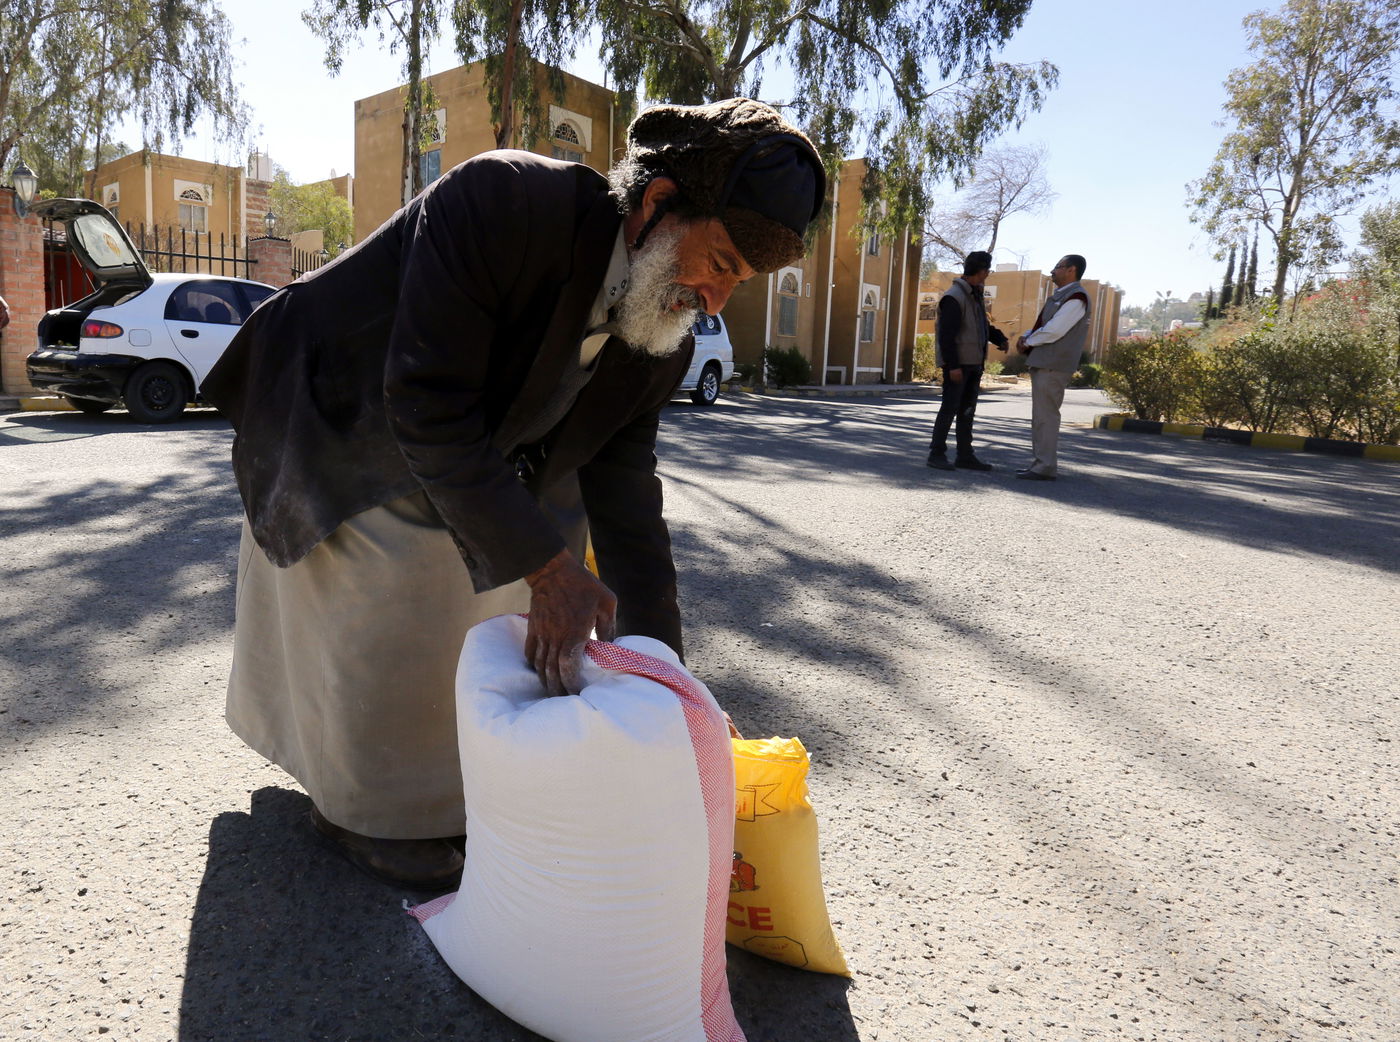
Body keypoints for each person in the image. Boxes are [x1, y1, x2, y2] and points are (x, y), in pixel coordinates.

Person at [200, 98, 826, 889]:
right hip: (341, 402)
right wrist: (546, 567)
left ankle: (461, 784)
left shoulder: (659, 339)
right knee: (400, 567)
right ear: (659, 203)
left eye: (740, 280)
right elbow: (425, 408)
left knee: (547, 537)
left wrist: (675, 683)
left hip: (464, 428)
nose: (715, 299)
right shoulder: (502, 202)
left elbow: (625, 494)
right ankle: (363, 810)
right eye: (723, 262)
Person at [925, 250, 1007, 471]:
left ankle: (965, 455)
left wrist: (998, 337)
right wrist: (953, 366)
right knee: (949, 409)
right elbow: (946, 336)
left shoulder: (974, 294)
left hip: (973, 364)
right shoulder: (954, 297)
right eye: (987, 270)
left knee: (967, 410)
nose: (987, 274)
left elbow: (981, 326)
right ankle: (937, 454)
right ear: (982, 271)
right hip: (958, 366)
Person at [1013, 255, 1091, 481]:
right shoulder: (1062, 296)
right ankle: (1041, 464)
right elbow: (1045, 325)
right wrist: (1026, 336)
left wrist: (1028, 342)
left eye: (1058, 267)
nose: (1052, 271)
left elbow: (1055, 330)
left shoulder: (1076, 297)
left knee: (1045, 417)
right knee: (1041, 416)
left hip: (1053, 364)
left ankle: (1044, 466)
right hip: (1045, 363)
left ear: (1071, 270)